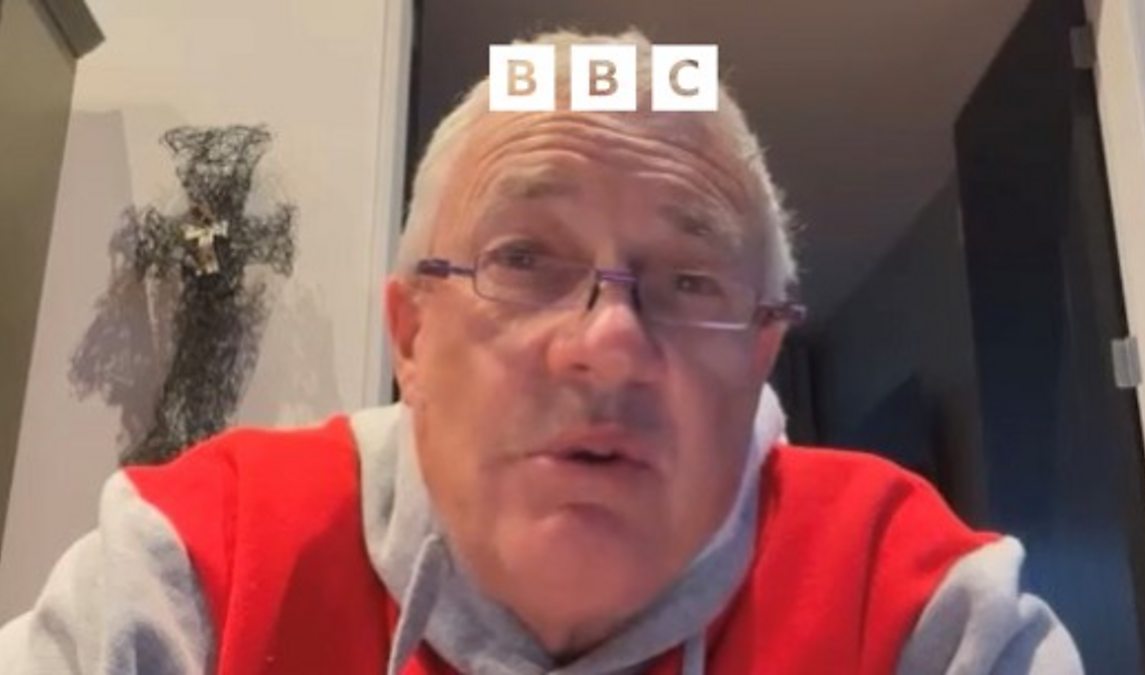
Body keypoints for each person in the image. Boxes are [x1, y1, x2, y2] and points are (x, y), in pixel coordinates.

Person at [0, 29, 1082, 674]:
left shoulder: (920, 610)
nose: (609, 344)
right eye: (524, 258)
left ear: (763, 350)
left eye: (691, 282)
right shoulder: (198, 566)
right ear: (410, 336)